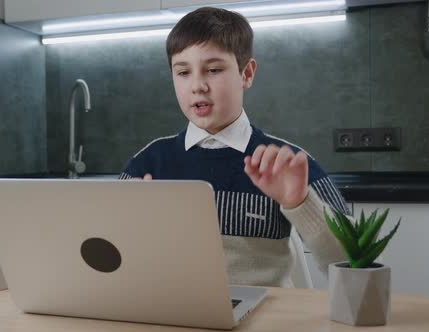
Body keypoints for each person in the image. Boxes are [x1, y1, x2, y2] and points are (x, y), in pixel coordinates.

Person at [119, 7, 349, 287]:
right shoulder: (147, 163)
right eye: (183, 72)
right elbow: (112, 260)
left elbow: (351, 260)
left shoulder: (288, 164)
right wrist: (133, 230)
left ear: (246, 74)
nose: (198, 86)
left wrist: (299, 202)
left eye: (213, 70)